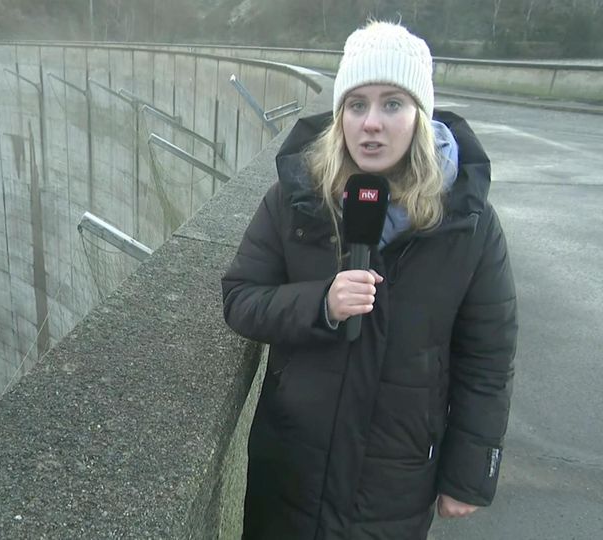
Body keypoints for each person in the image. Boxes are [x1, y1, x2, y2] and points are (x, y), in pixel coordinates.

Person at [221, 21, 517, 539]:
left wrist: (469, 474)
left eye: (392, 104)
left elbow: (487, 357)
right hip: (290, 471)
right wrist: (321, 305)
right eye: (356, 105)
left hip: (393, 484)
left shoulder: (467, 222)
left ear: (419, 115)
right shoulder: (297, 200)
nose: (371, 123)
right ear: (340, 116)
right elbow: (240, 298)